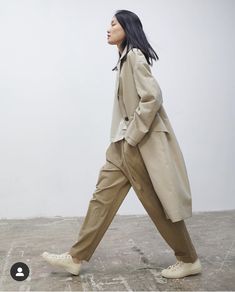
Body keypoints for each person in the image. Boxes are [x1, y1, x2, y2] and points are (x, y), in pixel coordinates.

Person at [41, 9, 202, 279]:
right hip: (120, 144)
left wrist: (132, 137)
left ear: (126, 28)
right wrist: (123, 139)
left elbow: (153, 97)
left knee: (155, 204)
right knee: (101, 199)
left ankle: (189, 259)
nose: (108, 28)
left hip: (135, 144)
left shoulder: (135, 57)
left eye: (113, 23)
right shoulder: (123, 58)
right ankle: (75, 257)